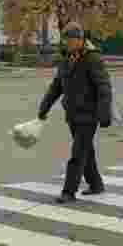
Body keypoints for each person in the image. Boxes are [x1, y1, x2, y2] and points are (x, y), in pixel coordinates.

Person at [37, 22, 113, 203]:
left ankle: (68, 192)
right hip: (72, 114)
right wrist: (44, 107)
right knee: (86, 151)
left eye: (72, 40)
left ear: (81, 40)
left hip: (89, 114)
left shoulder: (92, 59)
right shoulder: (65, 59)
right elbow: (56, 87)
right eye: (67, 40)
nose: (69, 43)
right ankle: (96, 184)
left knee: (78, 153)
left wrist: (104, 112)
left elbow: (104, 87)